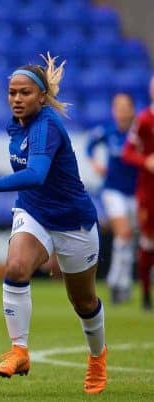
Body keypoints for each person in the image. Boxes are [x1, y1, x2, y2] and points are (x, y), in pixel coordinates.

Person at [0, 54, 107, 394]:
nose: (16, 100)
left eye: (24, 93)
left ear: (42, 97)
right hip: (34, 212)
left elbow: (35, 175)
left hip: (72, 222)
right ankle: (19, 350)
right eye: (11, 93)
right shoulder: (15, 124)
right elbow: (32, 185)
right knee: (17, 266)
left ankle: (97, 357)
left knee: (84, 302)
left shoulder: (47, 125)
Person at [86, 93, 138, 304]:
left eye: (126, 106)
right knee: (124, 233)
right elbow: (89, 146)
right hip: (113, 190)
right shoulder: (107, 132)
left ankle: (121, 283)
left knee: (128, 238)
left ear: (132, 109)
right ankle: (117, 281)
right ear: (114, 111)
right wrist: (95, 163)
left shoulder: (139, 132)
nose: (123, 111)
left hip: (135, 192)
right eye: (119, 107)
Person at [122, 75, 154, 311]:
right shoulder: (143, 120)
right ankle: (145, 293)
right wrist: (146, 161)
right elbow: (128, 153)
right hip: (148, 192)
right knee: (147, 242)